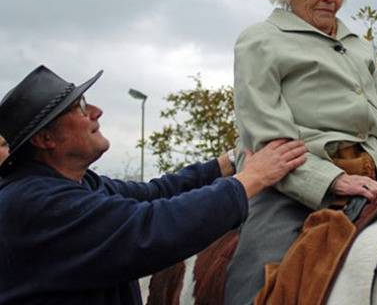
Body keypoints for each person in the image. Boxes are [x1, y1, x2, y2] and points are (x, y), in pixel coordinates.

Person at [0, 65, 307, 305]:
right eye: (79, 107)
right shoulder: (35, 204)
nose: (96, 111)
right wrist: (252, 179)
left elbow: (155, 193)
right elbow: (149, 228)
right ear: (45, 139)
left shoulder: (79, 185)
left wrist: (226, 162)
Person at [225, 0, 377, 304]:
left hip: (375, 180)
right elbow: (269, 137)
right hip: (289, 186)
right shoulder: (260, 40)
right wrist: (334, 181)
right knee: (258, 272)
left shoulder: (360, 48)